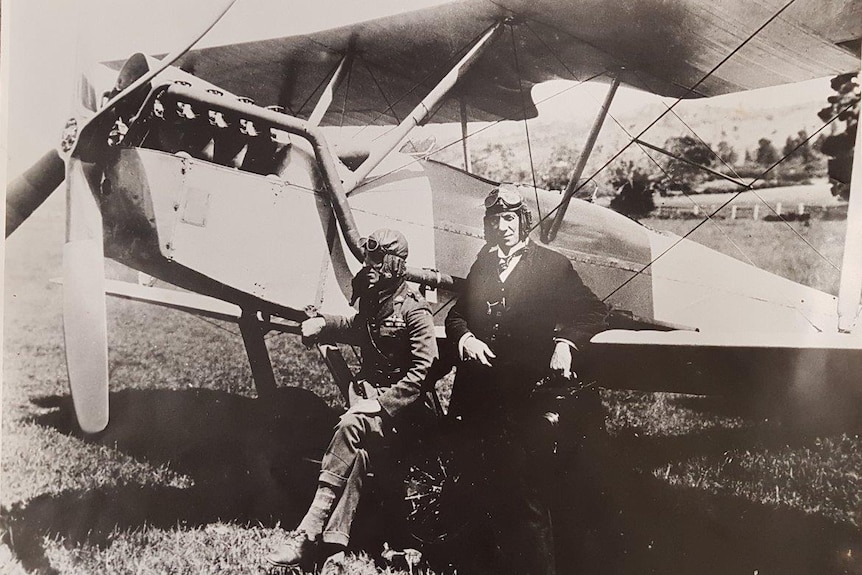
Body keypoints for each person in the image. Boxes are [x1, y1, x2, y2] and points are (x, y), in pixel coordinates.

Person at [445, 185, 608, 575]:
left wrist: (565, 343)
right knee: (478, 486)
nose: (502, 227)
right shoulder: (483, 265)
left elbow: (593, 310)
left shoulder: (552, 266)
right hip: (479, 400)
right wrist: (465, 338)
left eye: (509, 219)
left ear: (523, 224)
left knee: (526, 497)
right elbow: (456, 314)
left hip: (525, 401)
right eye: (495, 220)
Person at [266, 228, 438, 570]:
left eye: (376, 260)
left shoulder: (414, 311)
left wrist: (383, 404)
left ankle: (308, 530)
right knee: (359, 456)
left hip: (407, 413)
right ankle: (333, 551)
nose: (367, 266)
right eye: (367, 258)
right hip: (376, 406)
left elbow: (426, 369)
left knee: (350, 422)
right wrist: (323, 323)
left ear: (393, 265)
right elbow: (359, 327)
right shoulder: (376, 299)